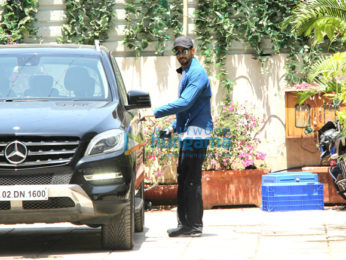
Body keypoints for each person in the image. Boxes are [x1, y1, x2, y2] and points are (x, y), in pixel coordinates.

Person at [143, 36, 213, 237]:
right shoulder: (188, 72)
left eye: (185, 50)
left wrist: (155, 113)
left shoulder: (198, 73)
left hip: (197, 133)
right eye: (178, 51)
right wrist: (173, 127)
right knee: (183, 177)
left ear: (193, 50)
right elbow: (188, 109)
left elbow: (185, 103)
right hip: (189, 130)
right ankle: (184, 225)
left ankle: (195, 226)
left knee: (191, 179)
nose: (181, 54)